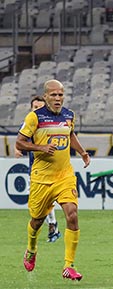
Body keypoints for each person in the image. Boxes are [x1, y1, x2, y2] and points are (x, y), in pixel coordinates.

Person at [16, 79, 91, 281]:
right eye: (54, 95)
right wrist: (40, 148)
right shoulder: (35, 118)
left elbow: (70, 134)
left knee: (72, 214)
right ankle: (31, 248)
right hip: (41, 177)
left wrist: (82, 152)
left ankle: (69, 265)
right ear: (46, 96)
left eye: (61, 95)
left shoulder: (69, 115)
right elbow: (20, 142)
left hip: (64, 175)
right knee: (37, 220)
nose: (58, 98)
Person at [14, 96, 61, 243]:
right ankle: (53, 225)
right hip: (34, 170)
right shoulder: (28, 124)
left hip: (52, 169)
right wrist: (17, 149)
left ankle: (53, 226)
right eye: (35, 107)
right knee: (39, 203)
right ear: (31, 109)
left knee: (47, 200)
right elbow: (20, 140)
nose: (37, 110)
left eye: (40, 107)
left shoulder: (51, 125)